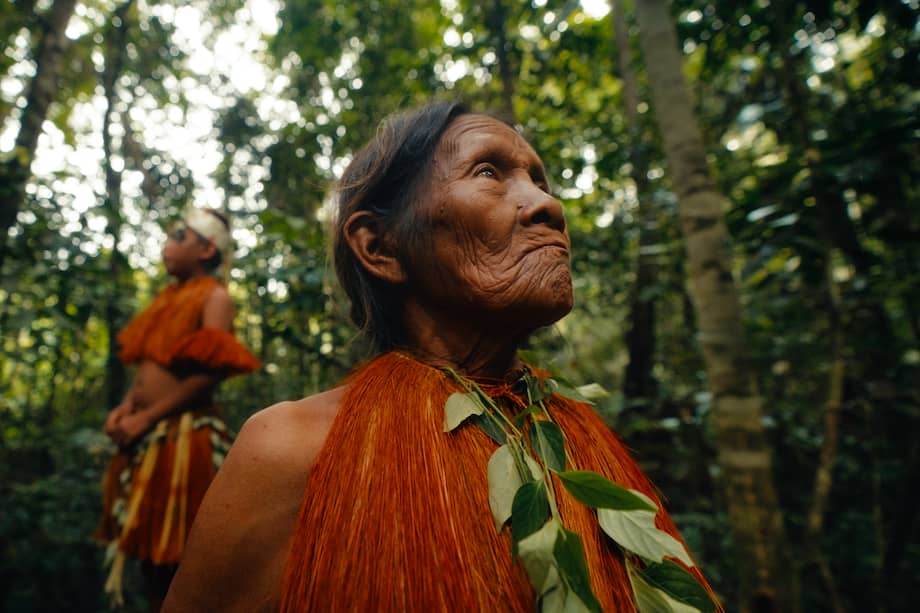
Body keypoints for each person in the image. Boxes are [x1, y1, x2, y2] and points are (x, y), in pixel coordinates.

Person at [164, 102, 719, 612]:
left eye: (539, 179)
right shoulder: (291, 450)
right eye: (487, 173)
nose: (548, 204)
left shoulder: (579, 438)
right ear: (380, 247)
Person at [96, 207, 259, 611]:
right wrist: (127, 406)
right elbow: (152, 363)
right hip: (147, 436)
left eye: (178, 237)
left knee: (176, 560)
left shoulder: (214, 296)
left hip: (182, 440)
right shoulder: (168, 297)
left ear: (206, 250)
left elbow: (210, 373)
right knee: (149, 561)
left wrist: (147, 417)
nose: (167, 245)